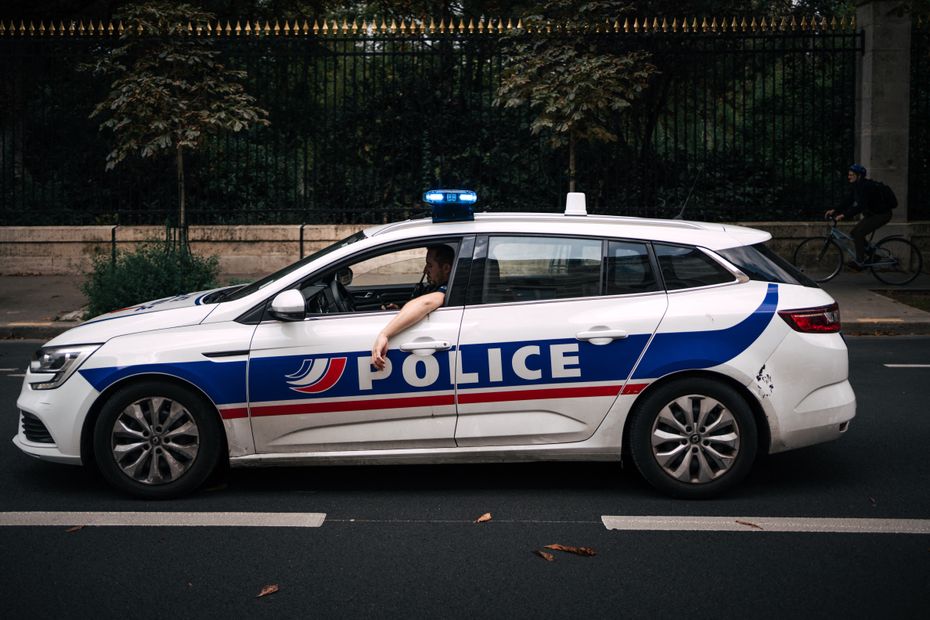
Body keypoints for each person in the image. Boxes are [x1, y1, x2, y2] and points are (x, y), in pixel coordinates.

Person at [370, 244, 455, 370]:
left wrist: (384, 335)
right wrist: (401, 312)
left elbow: (426, 303)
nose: (425, 270)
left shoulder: (447, 289)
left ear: (446, 268)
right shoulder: (435, 286)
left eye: (430, 265)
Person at [825, 164, 894, 270]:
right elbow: (849, 200)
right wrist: (835, 210)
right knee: (854, 233)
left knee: (859, 233)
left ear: (859, 176)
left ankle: (860, 261)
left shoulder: (866, 187)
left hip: (882, 215)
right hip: (873, 214)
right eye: (849, 175)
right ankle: (873, 256)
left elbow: (861, 206)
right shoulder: (857, 186)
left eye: (851, 175)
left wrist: (843, 215)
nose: (849, 177)